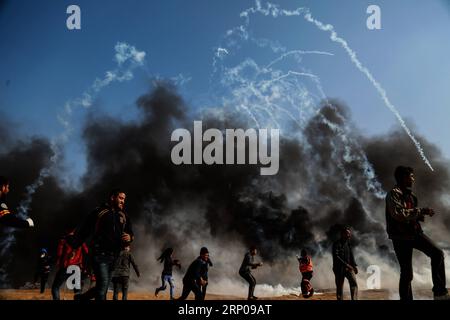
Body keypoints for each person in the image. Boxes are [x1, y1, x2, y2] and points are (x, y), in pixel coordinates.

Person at [386, 166, 449, 300]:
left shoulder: (411, 195)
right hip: (401, 238)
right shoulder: (394, 194)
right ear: (403, 178)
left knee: (437, 253)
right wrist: (420, 211)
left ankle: (440, 292)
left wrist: (423, 213)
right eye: (411, 176)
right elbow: (399, 214)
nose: (413, 179)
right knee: (407, 273)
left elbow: (411, 214)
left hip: (415, 233)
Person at [70, 189, 134, 300]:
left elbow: (130, 232)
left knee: (101, 288)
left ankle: (81, 298)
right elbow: (85, 230)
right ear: (112, 198)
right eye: (121, 198)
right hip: (100, 254)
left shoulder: (123, 215)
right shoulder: (99, 212)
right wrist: (74, 245)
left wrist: (130, 237)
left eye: (124, 199)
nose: (123, 201)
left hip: (114, 256)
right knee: (103, 287)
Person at [51, 230, 89, 300]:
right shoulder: (81, 241)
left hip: (66, 266)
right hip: (77, 267)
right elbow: (87, 252)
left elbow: (59, 254)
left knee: (55, 287)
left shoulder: (64, 240)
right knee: (77, 290)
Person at [332, 226, 358, 300]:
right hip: (339, 269)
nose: (349, 235)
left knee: (354, 283)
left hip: (349, 268)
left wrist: (354, 265)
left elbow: (351, 255)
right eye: (347, 234)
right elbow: (336, 257)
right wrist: (347, 265)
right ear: (342, 234)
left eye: (349, 234)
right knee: (340, 287)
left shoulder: (348, 244)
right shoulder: (336, 244)